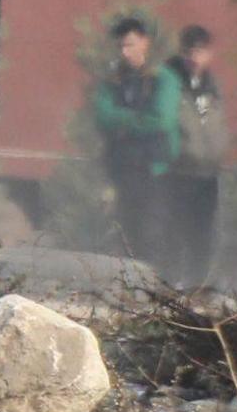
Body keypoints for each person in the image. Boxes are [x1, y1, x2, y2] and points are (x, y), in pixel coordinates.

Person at [85, 16, 179, 270]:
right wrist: (138, 118)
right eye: (121, 47)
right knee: (126, 228)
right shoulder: (113, 82)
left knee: (153, 230)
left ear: (145, 43)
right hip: (122, 167)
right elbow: (103, 115)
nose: (125, 52)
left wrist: (124, 121)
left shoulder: (163, 79)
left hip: (154, 168)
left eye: (130, 45)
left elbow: (162, 120)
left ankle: (157, 284)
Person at [164, 24, 228, 287]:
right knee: (177, 230)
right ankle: (172, 282)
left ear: (209, 53)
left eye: (200, 51)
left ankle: (198, 283)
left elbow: (218, 123)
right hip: (179, 171)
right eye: (190, 51)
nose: (195, 57)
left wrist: (220, 150)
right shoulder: (171, 81)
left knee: (203, 232)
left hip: (208, 172)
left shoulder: (212, 85)